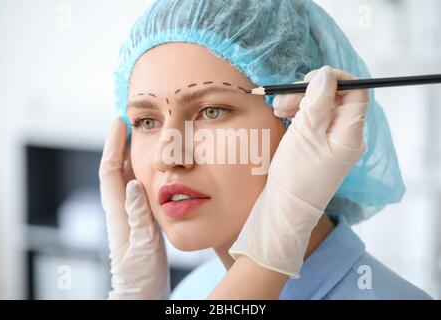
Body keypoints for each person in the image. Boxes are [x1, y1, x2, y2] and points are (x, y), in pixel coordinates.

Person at [99, 0, 432, 299]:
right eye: (146, 122)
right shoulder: (196, 289)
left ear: (303, 122)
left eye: (212, 111)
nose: (167, 155)